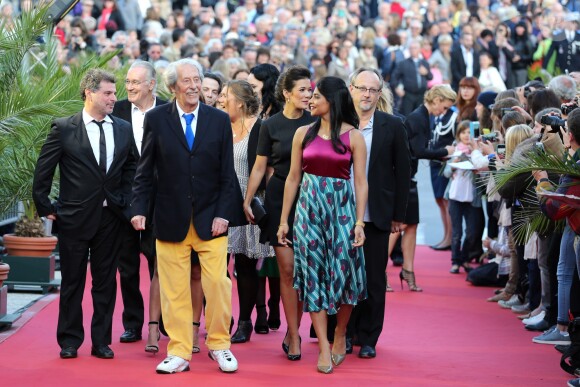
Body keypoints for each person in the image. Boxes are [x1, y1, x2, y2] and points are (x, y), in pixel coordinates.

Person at [131, 59, 244, 374]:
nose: (194, 86)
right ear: (173, 87)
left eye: (198, 80)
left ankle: (220, 345)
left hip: (212, 220)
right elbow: (145, 171)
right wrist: (139, 209)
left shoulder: (219, 120)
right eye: (188, 81)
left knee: (219, 286)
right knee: (174, 289)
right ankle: (179, 351)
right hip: (170, 217)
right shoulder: (155, 119)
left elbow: (227, 174)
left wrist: (224, 214)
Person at [32, 69, 137, 360]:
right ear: (89, 93)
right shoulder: (65, 128)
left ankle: (101, 341)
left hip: (111, 218)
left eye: (114, 93)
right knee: (73, 282)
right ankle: (69, 341)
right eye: (107, 93)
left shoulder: (123, 129)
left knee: (105, 283)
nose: (114, 98)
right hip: (74, 218)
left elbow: (131, 167)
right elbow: (43, 173)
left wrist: (125, 201)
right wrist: (46, 208)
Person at [277, 76, 368, 374]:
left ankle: (340, 332)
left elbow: (361, 182)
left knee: (345, 273)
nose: (311, 100)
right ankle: (325, 348)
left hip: (341, 211)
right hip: (309, 211)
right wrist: (284, 221)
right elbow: (293, 178)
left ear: (333, 100)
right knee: (314, 275)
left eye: (317, 96)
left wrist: (358, 221)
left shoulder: (354, 136)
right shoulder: (303, 133)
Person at [243, 65, 314, 361]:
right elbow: (260, 165)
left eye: (311, 90)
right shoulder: (269, 125)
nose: (309, 95)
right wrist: (248, 200)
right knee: (286, 269)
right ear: (286, 93)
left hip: (310, 199)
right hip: (278, 198)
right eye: (303, 90)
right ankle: (294, 333)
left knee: (302, 271)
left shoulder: (316, 122)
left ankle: (296, 328)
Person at [347, 67, 411, 355]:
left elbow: (403, 172)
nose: (367, 94)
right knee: (344, 276)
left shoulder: (392, 125)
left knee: (373, 277)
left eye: (373, 90)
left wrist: (399, 213)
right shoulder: (338, 124)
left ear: (379, 93)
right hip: (341, 213)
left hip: (377, 214)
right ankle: (345, 333)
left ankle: (369, 338)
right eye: (362, 88)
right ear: (352, 88)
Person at [111, 60, 168, 346]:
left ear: (151, 84)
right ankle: (132, 323)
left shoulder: (169, 109)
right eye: (128, 82)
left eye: (135, 82)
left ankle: (163, 321)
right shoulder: (117, 109)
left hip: (161, 202)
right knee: (127, 265)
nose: (129, 87)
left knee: (162, 263)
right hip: (125, 201)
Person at [215, 80, 274, 343]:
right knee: (217, 266)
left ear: (239, 101)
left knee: (245, 267)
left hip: (248, 203)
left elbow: (266, 169)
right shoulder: (219, 125)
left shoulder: (259, 128)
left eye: (225, 96)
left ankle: (245, 321)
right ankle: (222, 316)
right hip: (220, 204)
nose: (220, 100)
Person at [402, 85, 457, 279]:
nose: (443, 112)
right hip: (405, 176)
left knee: (408, 225)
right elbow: (419, 150)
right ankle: (383, 273)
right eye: (444, 108)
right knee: (399, 226)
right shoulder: (419, 117)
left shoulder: (422, 115)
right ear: (437, 100)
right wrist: (444, 152)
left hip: (408, 175)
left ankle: (406, 271)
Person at [246, 63, 283, 332]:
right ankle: (258, 311)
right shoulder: (247, 113)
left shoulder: (281, 116)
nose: (250, 91)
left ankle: (274, 304)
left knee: (277, 258)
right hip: (253, 190)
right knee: (254, 255)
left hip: (277, 193)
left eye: (254, 86)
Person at [393, 39, 433, 116]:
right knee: (407, 116)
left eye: (415, 48)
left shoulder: (424, 63)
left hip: (422, 95)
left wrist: (426, 72)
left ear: (420, 49)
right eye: (411, 48)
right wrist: (397, 87)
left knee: (421, 116)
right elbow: (394, 77)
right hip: (408, 95)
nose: (413, 50)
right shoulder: (403, 63)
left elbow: (430, 77)